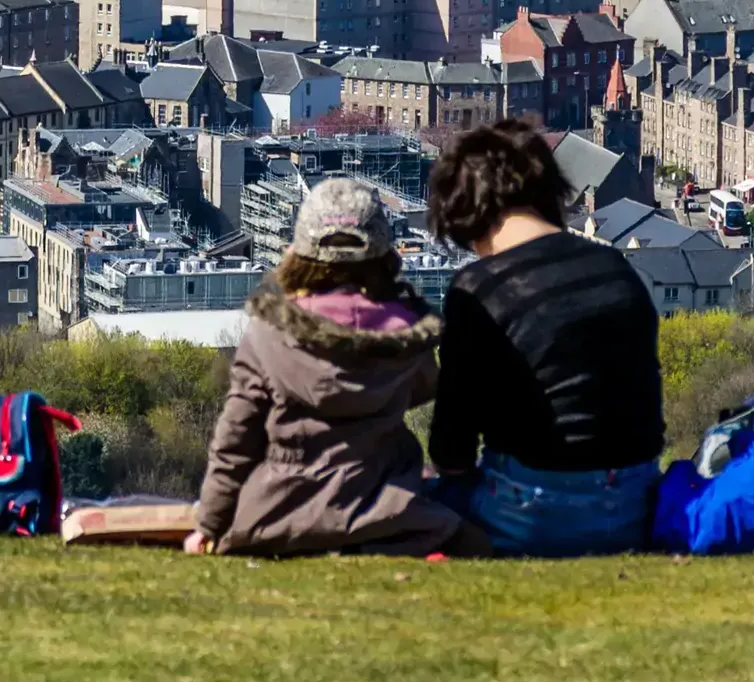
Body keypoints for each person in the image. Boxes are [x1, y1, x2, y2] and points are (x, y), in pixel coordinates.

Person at [187, 177, 485, 559]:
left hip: (278, 515)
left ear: (299, 251)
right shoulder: (407, 334)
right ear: (383, 255)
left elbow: (235, 440)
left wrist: (210, 524)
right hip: (387, 510)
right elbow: (425, 387)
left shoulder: (269, 334)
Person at [425, 120, 665, 557]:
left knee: (409, 500)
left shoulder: (479, 287)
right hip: (636, 505)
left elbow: (451, 449)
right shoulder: (617, 269)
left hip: (531, 512)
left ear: (461, 209)